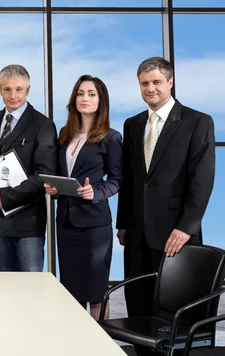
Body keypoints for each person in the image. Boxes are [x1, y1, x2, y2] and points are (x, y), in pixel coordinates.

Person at [117, 57, 215, 330]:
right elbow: (130, 179)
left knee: (175, 314)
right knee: (138, 304)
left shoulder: (198, 122)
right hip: (136, 233)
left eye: (157, 82)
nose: (151, 88)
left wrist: (186, 227)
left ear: (170, 82)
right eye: (144, 83)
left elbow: (202, 179)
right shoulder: (132, 124)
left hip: (175, 232)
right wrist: (122, 222)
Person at [44, 75, 122, 320]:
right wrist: (55, 189)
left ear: (101, 101)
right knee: (72, 291)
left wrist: (95, 192)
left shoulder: (111, 137)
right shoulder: (65, 136)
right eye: (80, 93)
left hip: (94, 226)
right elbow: (62, 176)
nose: (84, 98)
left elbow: (117, 180)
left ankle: (101, 345)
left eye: (91, 94)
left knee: (96, 292)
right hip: (66, 224)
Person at [0, 64, 58, 272]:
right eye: (7, 89)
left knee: (31, 287)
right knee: (6, 286)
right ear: (0, 90)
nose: (13, 95)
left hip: (28, 222)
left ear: (28, 90)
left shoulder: (42, 125)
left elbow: (44, 174)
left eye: (18, 89)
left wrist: (6, 197)